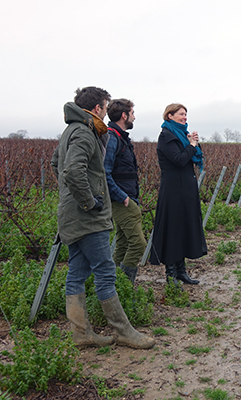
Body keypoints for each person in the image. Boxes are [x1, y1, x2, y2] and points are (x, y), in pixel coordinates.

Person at [51, 87, 155, 349]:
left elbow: (56, 164)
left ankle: (82, 333)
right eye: (105, 107)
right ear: (97, 108)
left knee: (77, 272)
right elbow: (73, 170)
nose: (107, 111)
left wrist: (70, 196)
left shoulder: (71, 130)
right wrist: (89, 200)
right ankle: (124, 332)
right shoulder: (85, 133)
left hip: (72, 215)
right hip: (87, 218)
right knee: (106, 272)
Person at [150, 104, 208, 284]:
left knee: (184, 227)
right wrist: (191, 145)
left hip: (186, 190)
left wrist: (193, 143)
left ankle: (182, 271)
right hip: (173, 191)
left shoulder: (181, 135)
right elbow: (180, 159)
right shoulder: (166, 136)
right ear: (170, 116)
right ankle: (171, 273)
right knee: (173, 229)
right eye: (181, 114)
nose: (185, 118)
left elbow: (190, 156)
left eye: (186, 114)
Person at [104, 99, 145, 284]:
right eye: (132, 113)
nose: (134, 117)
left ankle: (113, 286)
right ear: (124, 115)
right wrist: (123, 198)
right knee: (138, 244)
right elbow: (104, 173)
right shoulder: (112, 137)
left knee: (122, 243)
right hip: (121, 200)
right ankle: (125, 285)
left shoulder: (120, 137)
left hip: (127, 197)